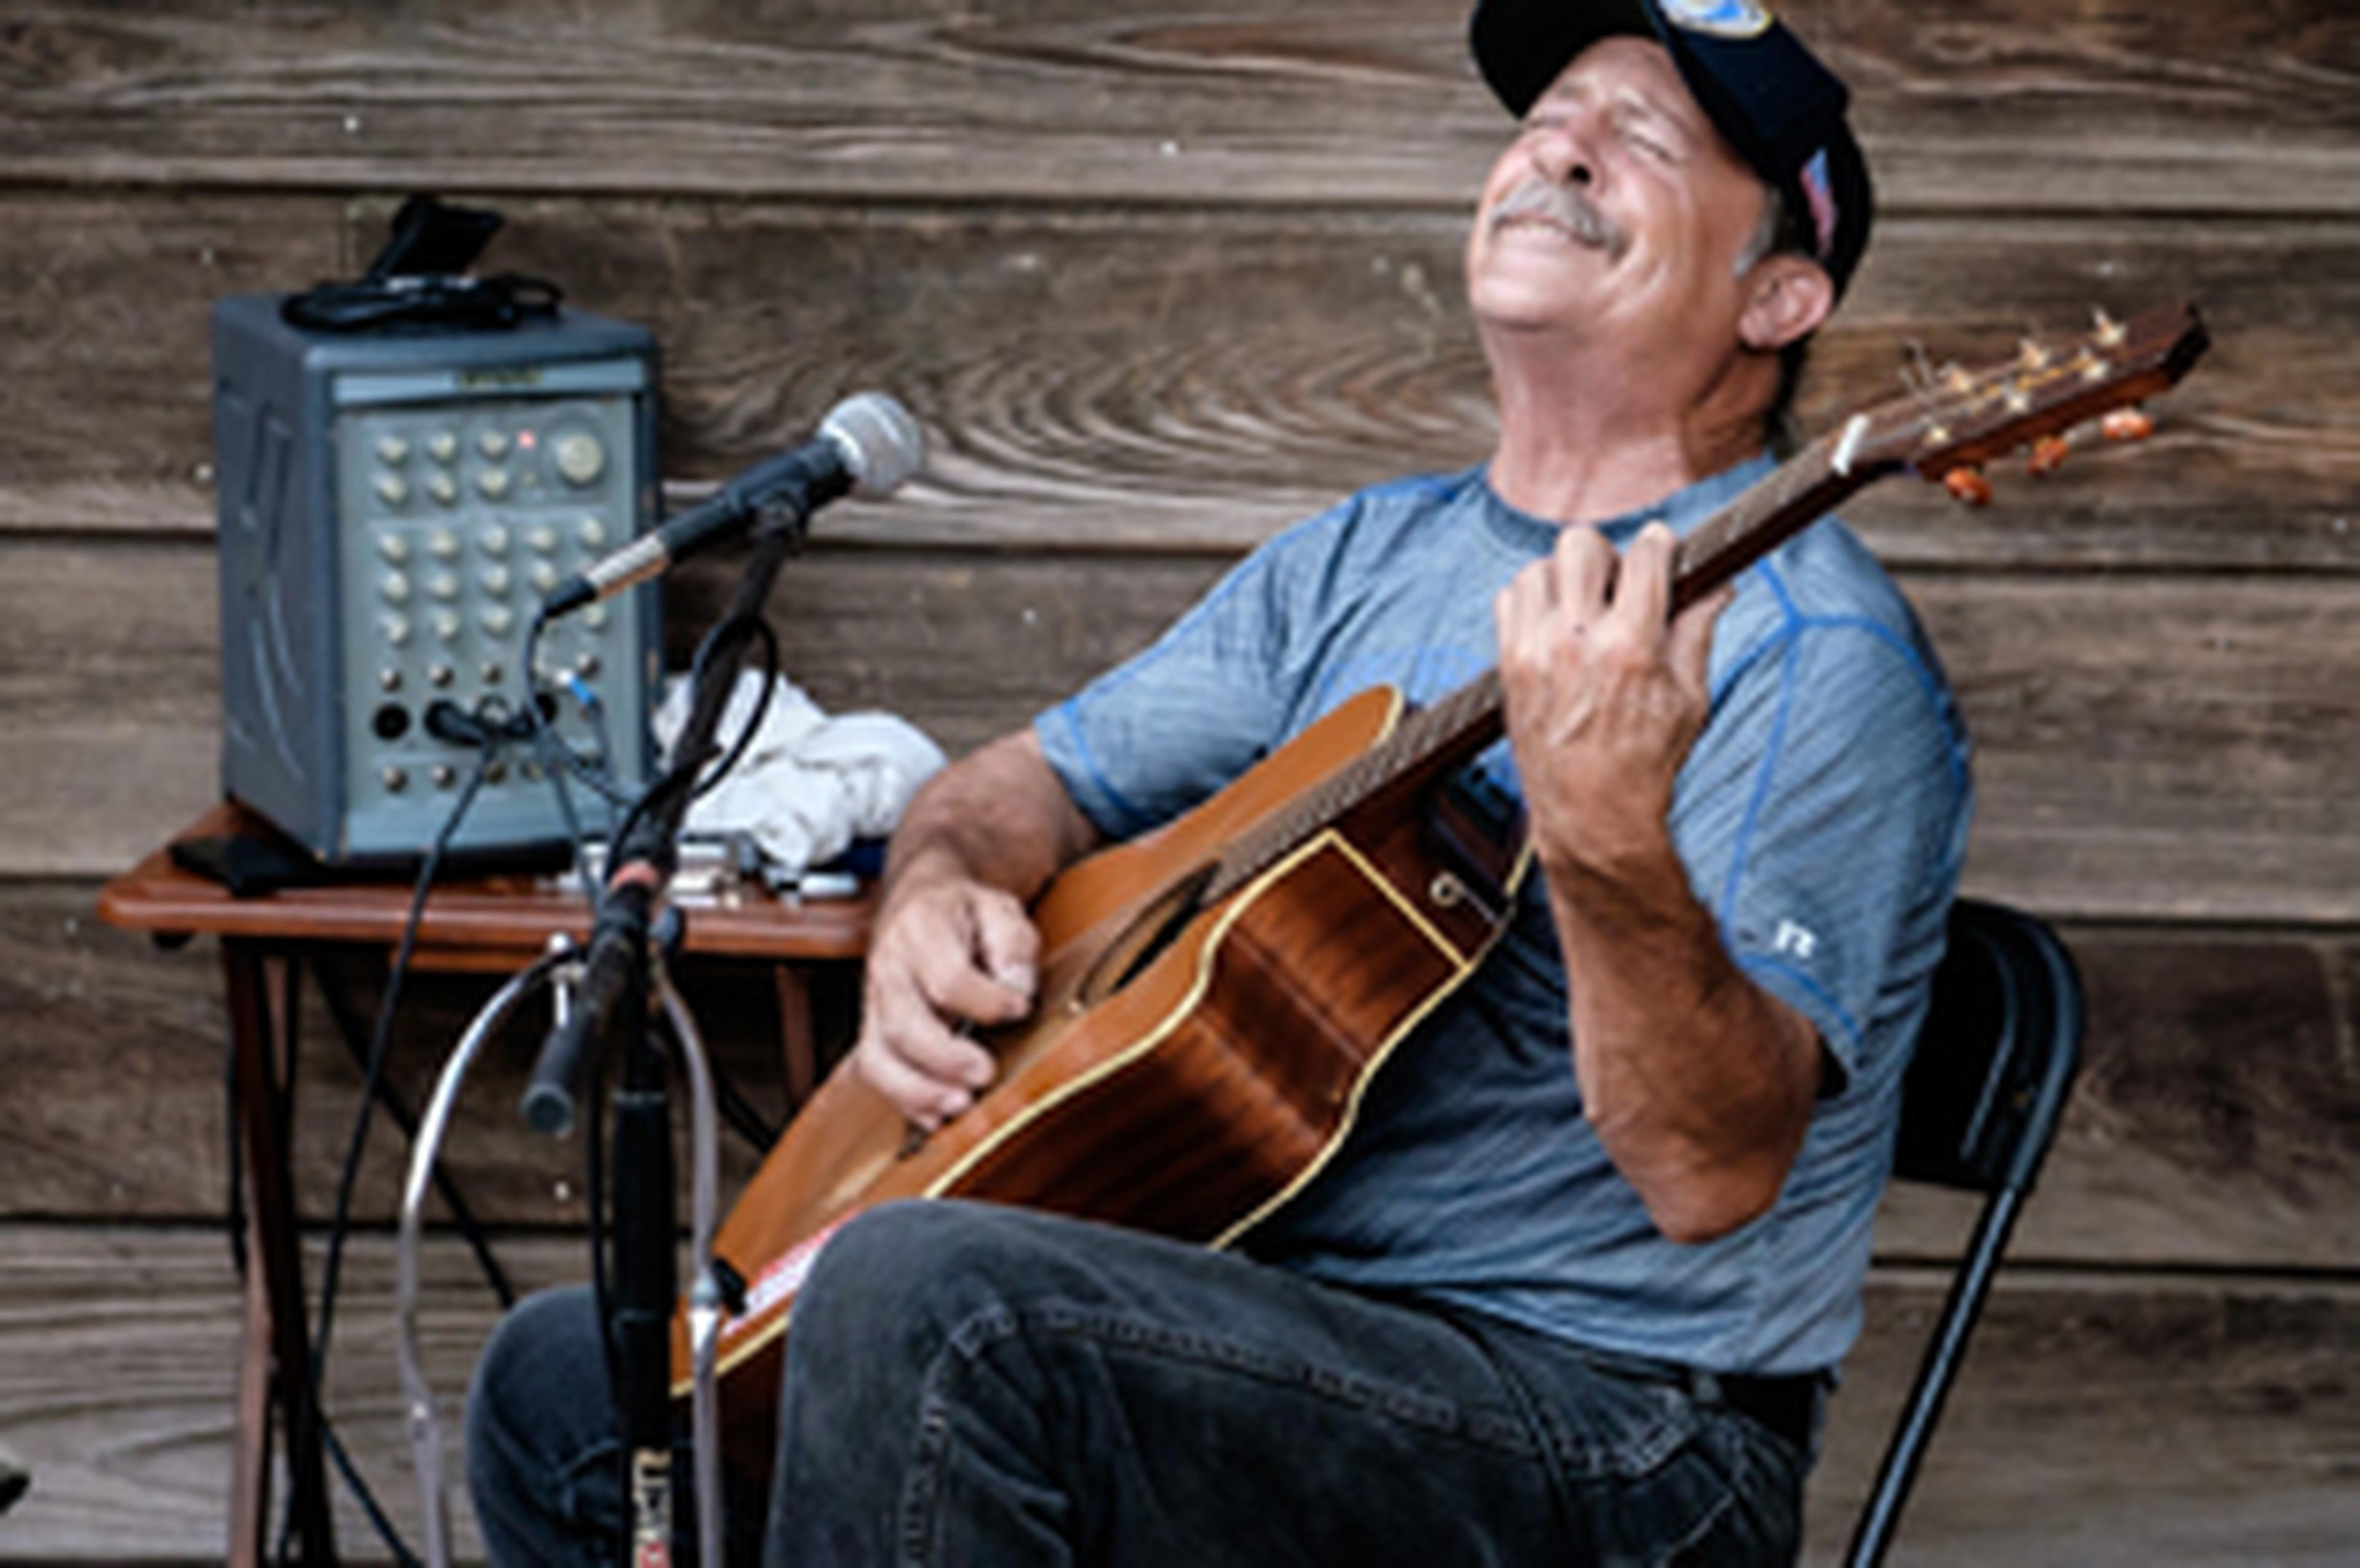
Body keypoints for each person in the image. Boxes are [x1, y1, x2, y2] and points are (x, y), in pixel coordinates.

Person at [467, 1, 1971, 1562]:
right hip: (1259, 1317)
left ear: (1779, 295)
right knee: (574, 1387)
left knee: (933, 1305)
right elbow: (1025, 782)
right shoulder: (1364, 555)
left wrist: (1600, 835)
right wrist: (936, 885)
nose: (1561, 152)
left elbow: (1711, 1173)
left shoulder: (1806, 650)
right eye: (1546, 120)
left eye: (1642, 138)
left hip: (1617, 1427)